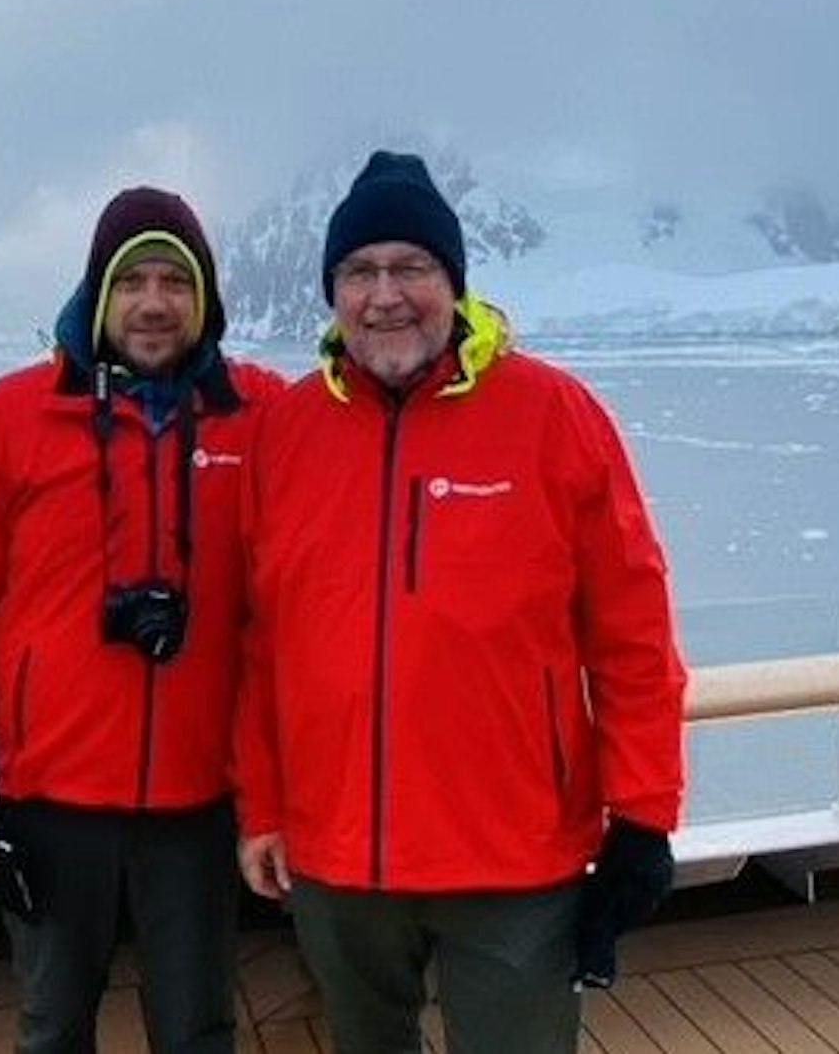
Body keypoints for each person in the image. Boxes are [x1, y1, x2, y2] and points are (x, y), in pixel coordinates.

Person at [233, 150, 688, 1054]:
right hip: (338, 851)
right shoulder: (286, 431)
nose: (385, 296)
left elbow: (632, 630)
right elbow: (260, 642)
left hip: (512, 853)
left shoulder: (553, 414)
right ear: (331, 292)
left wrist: (645, 814)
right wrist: (264, 806)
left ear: (455, 281)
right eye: (359, 271)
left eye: (412, 267)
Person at [0, 186, 282, 1054]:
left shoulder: (260, 415)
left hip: (199, 796)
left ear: (205, 297)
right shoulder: (9, 418)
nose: (154, 303)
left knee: (198, 1029)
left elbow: (369, 421)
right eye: (131, 281)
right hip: (52, 794)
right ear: (96, 291)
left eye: (176, 281)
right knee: (53, 1027)